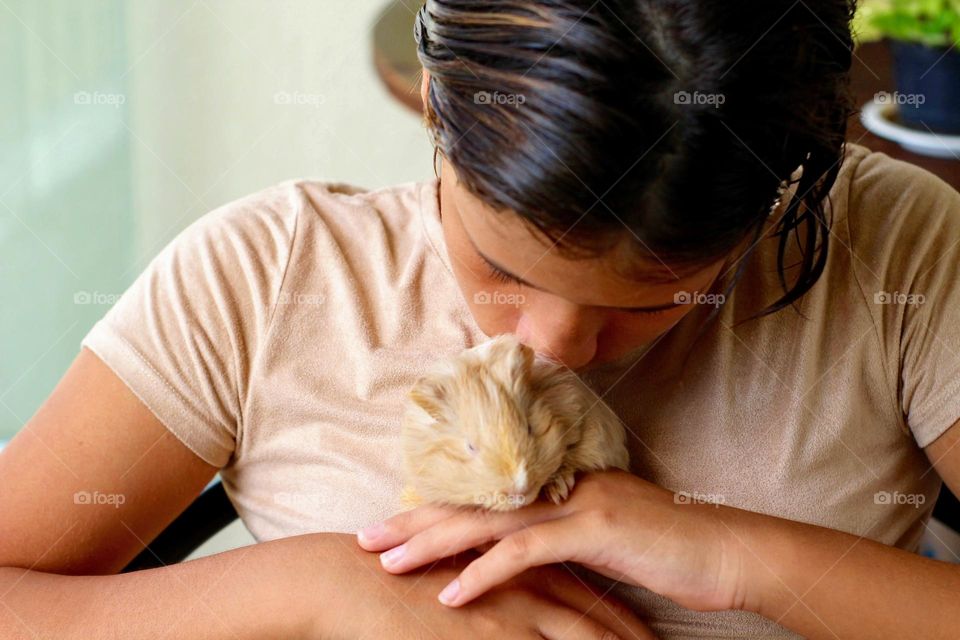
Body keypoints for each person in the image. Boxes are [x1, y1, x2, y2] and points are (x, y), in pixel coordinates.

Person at [2, 0, 960, 637]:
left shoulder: (900, 250)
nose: (551, 348)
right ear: (434, 110)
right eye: (501, 266)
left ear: (776, 194)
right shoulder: (269, 278)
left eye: (656, 300)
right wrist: (320, 591)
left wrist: (731, 551)